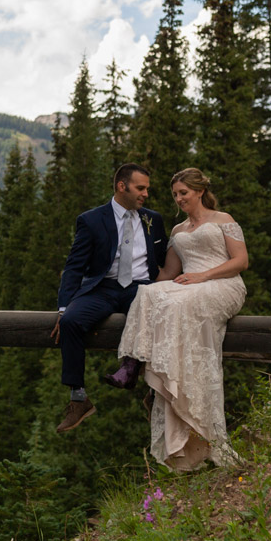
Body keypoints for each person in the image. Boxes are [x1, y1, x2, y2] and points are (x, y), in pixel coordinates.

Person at [111, 167, 248, 470]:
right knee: (148, 294)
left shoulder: (223, 220)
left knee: (177, 305)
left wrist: (204, 275)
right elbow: (167, 275)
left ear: (199, 191)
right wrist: (129, 272)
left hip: (223, 283)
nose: (179, 199)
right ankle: (134, 364)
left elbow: (241, 262)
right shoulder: (177, 231)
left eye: (183, 193)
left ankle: (185, 398)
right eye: (175, 194)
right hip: (189, 286)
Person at [51, 163, 170, 433]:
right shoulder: (91, 220)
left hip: (141, 288)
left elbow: (164, 261)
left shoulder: (154, 219)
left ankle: (155, 396)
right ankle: (78, 399)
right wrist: (62, 308)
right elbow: (74, 267)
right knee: (70, 321)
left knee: (159, 321)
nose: (146, 194)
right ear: (121, 186)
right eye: (141, 188)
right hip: (102, 288)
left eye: (147, 189)